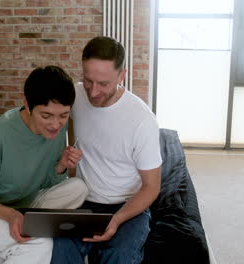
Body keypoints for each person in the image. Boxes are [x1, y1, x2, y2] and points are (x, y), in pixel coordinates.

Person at [0, 65, 88, 264]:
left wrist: (61, 165)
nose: (56, 124)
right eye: (46, 116)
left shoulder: (57, 129)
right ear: (27, 104)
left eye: (63, 115)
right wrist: (10, 216)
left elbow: (45, 181)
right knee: (38, 242)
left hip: (22, 202)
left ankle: (3, 248)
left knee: (78, 188)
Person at [51, 36, 162, 264]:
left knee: (119, 256)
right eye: (88, 80)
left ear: (122, 76)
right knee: (57, 249)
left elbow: (151, 187)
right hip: (81, 199)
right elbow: (47, 118)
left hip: (128, 206)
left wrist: (118, 219)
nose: (93, 92)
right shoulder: (76, 95)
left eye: (103, 84)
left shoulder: (142, 121)